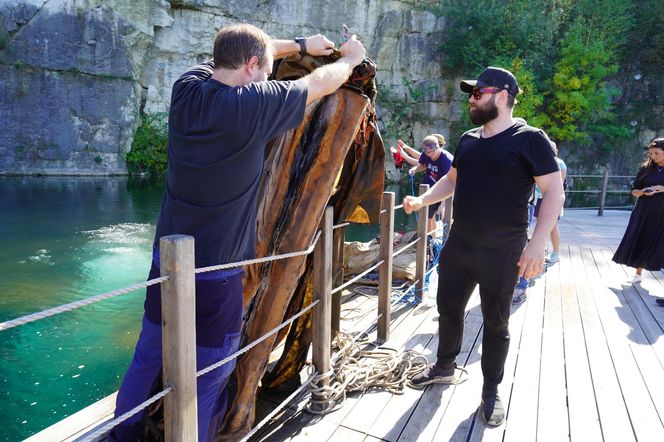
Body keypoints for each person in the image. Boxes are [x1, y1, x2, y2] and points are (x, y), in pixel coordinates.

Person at [109, 24, 366, 441]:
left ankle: (123, 435)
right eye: (264, 69)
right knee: (212, 372)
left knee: (148, 355)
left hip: (166, 263)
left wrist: (299, 46)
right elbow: (319, 83)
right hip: (217, 273)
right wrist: (350, 59)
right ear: (251, 67)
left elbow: (231, 57)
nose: (268, 76)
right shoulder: (252, 104)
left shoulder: (186, 89)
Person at [402, 66, 564, 427]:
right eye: (471, 94)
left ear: (502, 95)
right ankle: (444, 366)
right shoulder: (468, 139)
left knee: (496, 324)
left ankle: (491, 392)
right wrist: (424, 199)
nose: (471, 99)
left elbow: (554, 191)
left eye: (478, 93)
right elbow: (452, 179)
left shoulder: (530, 138)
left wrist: (537, 245)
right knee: (448, 310)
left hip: (503, 251)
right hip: (459, 245)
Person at [613, 137, 664, 285]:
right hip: (644, 211)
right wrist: (643, 191)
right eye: (651, 153)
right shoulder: (646, 169)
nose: (653, 157)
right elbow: (634, 191)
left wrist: (662, 189)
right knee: (641, 237)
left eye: (656, 153)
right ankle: (638, 273)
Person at [404, 135, 454, 236]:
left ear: (438, 147)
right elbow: (423, 165)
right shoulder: (426, 154)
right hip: (428, 188)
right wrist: (415, 169)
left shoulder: (447, 161)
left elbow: (449, 182)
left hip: (442, 189)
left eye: (432, 151)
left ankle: (437, 239)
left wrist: (443, 205)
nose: (430, 154)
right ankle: (432, 238)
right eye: (427, 152)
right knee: (428, 216)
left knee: (439, 215)